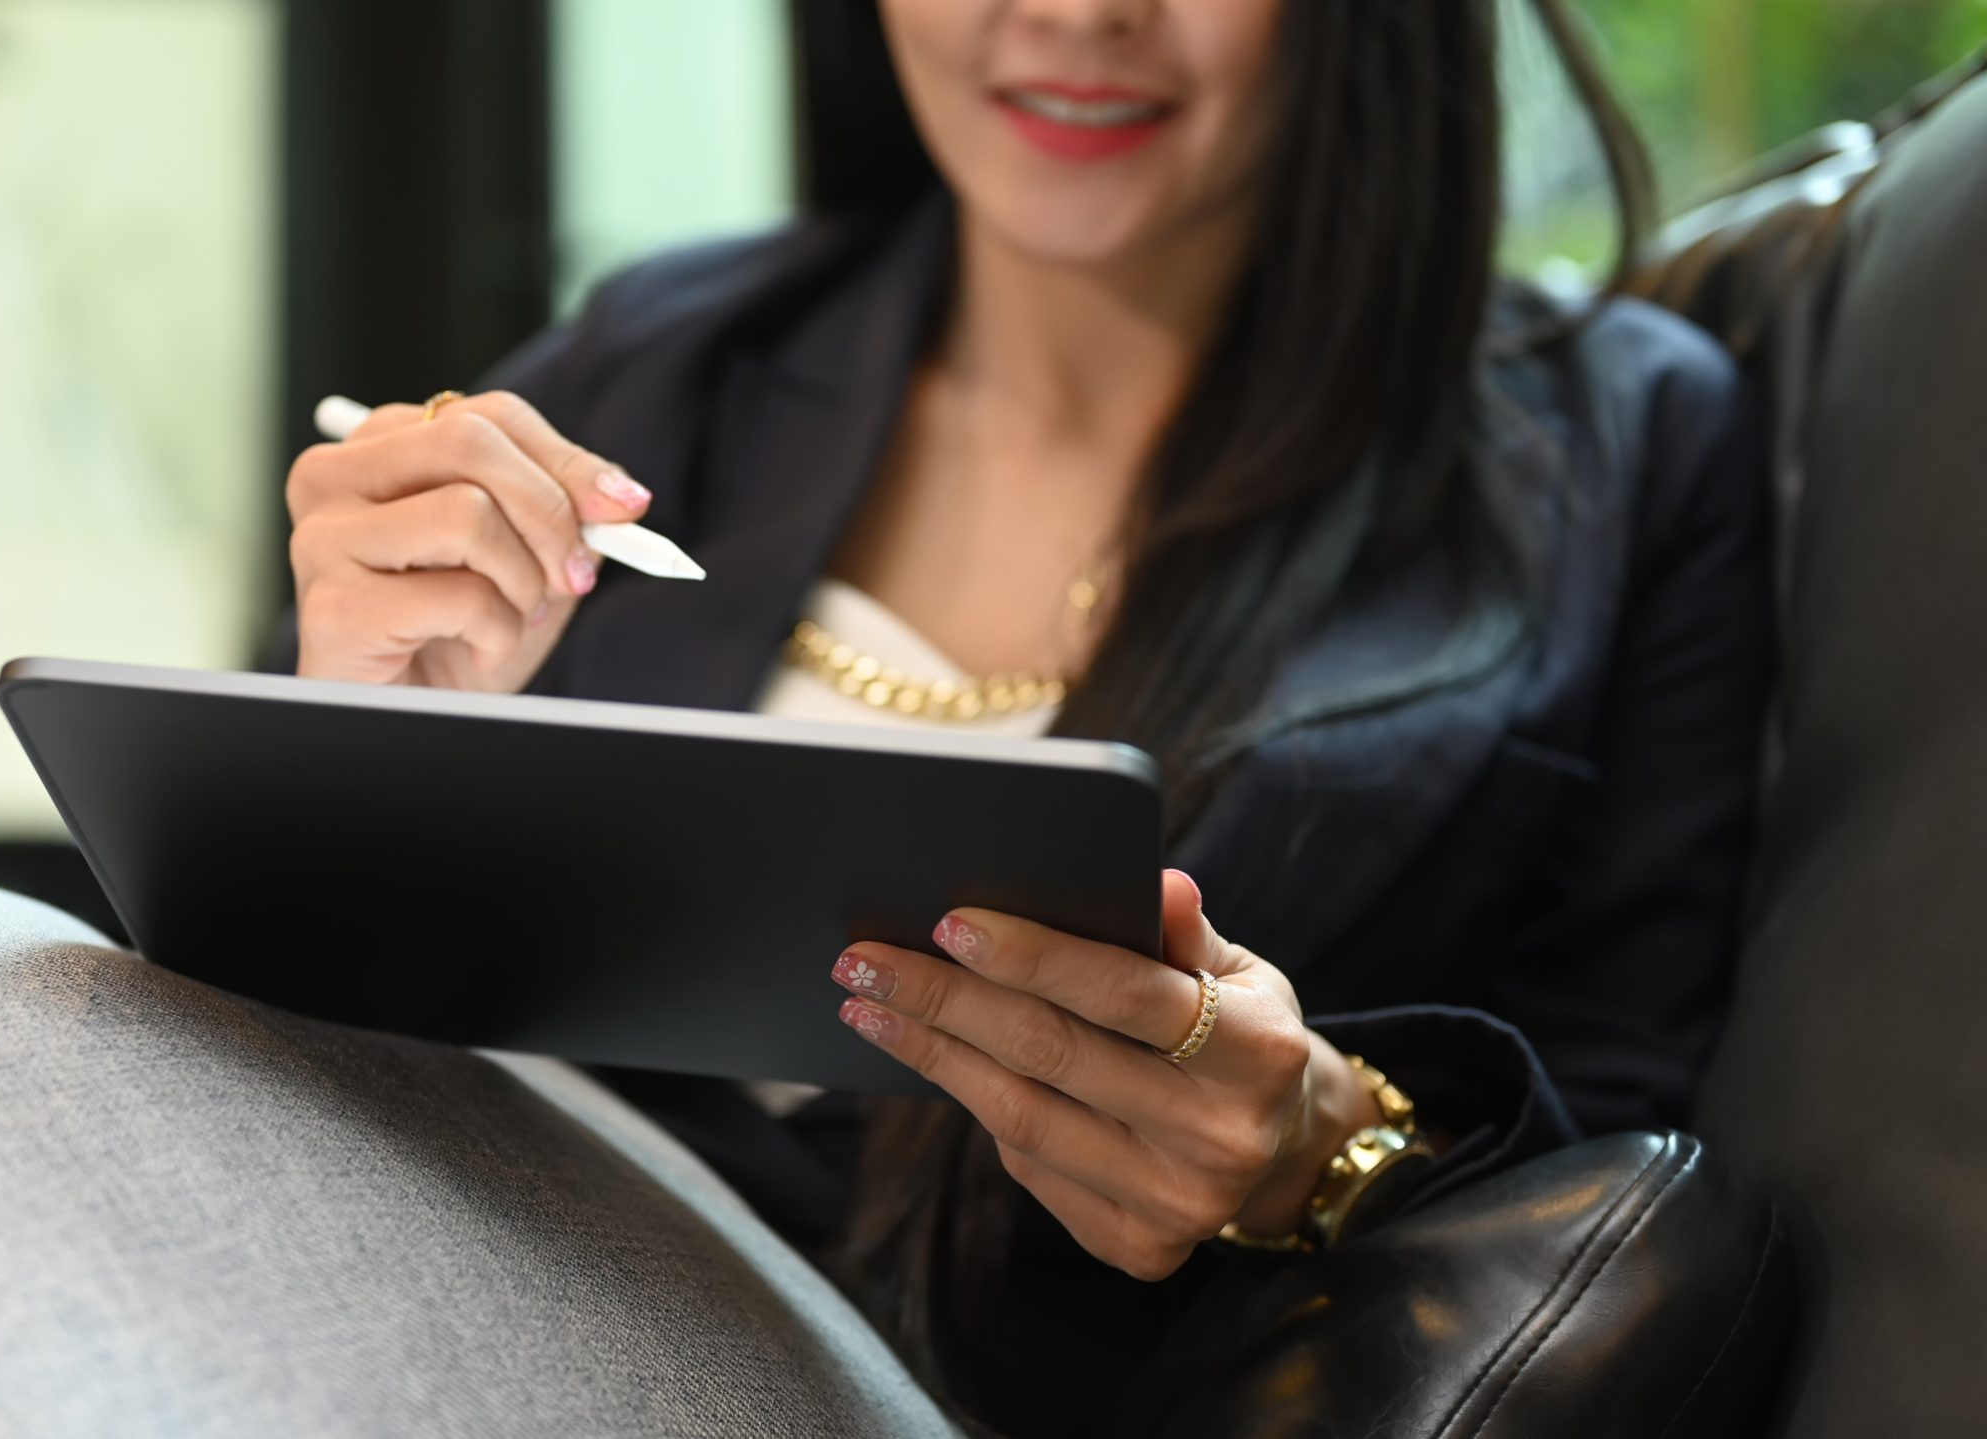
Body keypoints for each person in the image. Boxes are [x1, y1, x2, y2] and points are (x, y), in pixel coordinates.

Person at [269, 0, 1773, 1433]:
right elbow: (274, 1022)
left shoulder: (1620, 456)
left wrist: (1326, 1158)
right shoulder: (669, 359)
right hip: (437, 1312)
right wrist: (353, 739)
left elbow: (1620, 1215)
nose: (1078, 14)